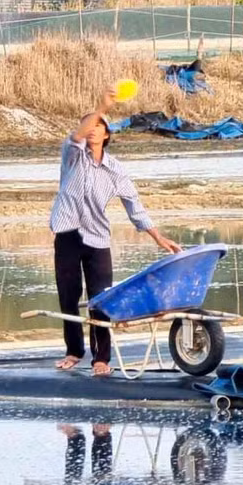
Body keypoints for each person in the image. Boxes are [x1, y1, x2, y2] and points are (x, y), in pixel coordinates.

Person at [50, 90, 182, 376]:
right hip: (68, 234)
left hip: (98, 238)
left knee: (101, 298)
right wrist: (101, 107)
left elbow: (135, 206)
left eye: (99, 125)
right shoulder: (72, 156)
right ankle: (74, 351)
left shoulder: (115, 170)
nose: (92, 130)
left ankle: (102, 358)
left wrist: (158, 237)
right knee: (69, 296)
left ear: (107, 134)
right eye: (89, 125)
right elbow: (75, 137)